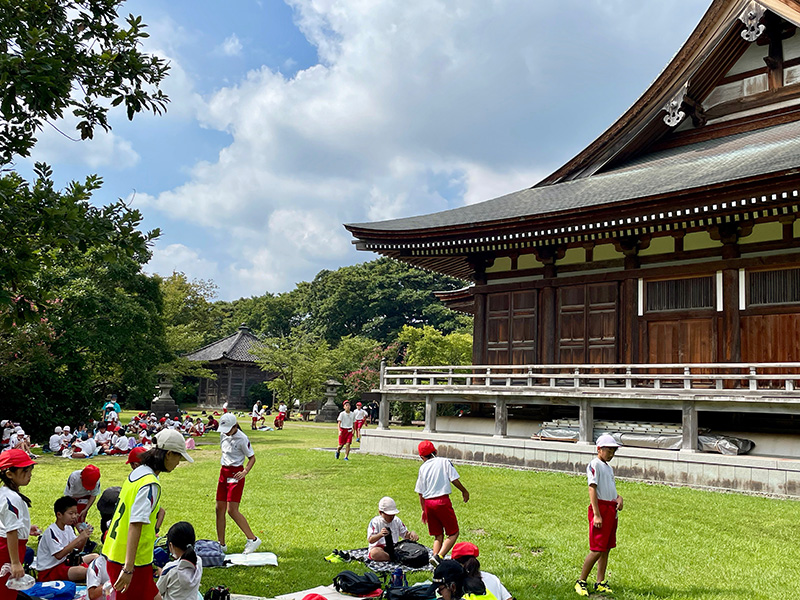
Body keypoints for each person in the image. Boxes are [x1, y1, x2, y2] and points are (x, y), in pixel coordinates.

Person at [103, 429, 193, 599]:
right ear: (169, 454)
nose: (178, 462)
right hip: (130, 561)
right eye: (178, 457)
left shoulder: (138, 473)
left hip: (119, 555)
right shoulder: (150, 483)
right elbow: (135, 524)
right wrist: (128, 568)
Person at [575, 435, 623, 597]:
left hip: (610, 510)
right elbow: (592, 488)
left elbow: (610, 489)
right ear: (599, 449)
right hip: (600, 509)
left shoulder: (608, 468)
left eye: (613, 451)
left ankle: (600, 581)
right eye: (609, 450)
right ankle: (581, 580)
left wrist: (618, 498)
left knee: (606, 548)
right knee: (597, 549)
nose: (611, 454)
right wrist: (596, 514)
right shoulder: (594, 464)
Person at [415, 440, 469, 566]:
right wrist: (464, 491)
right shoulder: (444, 462)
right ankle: (439, 557)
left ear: (422, 457)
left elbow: (420, 493)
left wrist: (423, 510)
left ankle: (435, 560)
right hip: (442, 501)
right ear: (435, 451)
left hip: (428, 503)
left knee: (438, 535)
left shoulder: (422, 468)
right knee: (453, 532)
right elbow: (454, 479)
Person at [215, 413, 261, 554]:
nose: (226, 431)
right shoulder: (223, 435)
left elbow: (252, 458)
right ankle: (221, 544)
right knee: (219, 508)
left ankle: (252, 539)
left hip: (236, 474)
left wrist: (245, 471)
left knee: (232, 510)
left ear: (235, 426)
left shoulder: (242, 438)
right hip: (224, 472)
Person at [0, 449, 40, 600]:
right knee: (6, 592)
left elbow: (6, 523)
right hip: (8, 551)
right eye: (25, 471)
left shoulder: (6, 493)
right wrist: (15, 563)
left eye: (30, 470)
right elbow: (10, 531)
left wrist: (26, 529)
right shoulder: (12, 498)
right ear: (9, 474)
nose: (30, 474)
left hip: (11, 546)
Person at [36, 496, 99, 582]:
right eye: (71, 513)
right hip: (50, 570)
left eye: (76, 513)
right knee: (87, 572)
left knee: (95, 557)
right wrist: (80, 537)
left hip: (65, 562)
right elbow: (59, 555)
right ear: (59, 515)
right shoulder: (51, 531)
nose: (74, 516)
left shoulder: (68, 528)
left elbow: (79, 548)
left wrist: (84, 536)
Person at [156, 521, 203, 600]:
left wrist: (161, 571)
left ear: (171, 545)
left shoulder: (170, 568)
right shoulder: (198, 561)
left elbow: (157, 592)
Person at [366, 496, 419, 561]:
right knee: (375, 553)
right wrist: (380, 534)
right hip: (379, 548)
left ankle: (395, 558)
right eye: (389, 515)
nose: (392, 517)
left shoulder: (396, 520)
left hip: (394, 547)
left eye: (393, 514)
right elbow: (371, 540)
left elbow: (405, 535)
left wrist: (412, 534)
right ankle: (395, 558)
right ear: (380, 513)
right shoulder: (375, 522)